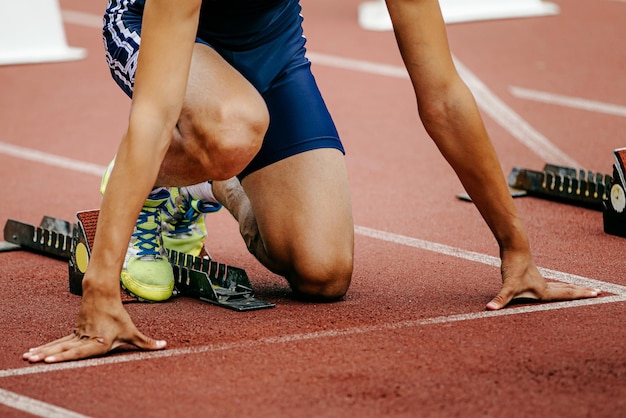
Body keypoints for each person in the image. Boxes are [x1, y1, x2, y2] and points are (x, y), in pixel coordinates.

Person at [23, 0, 599, 364]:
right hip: (160, 33)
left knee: (323, 274)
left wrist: (516, 251)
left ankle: (200, 180)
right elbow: (152, 117)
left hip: (272, 50)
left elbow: (444, 96)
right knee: (229, 130)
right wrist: (99, 292)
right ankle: (154, 184)